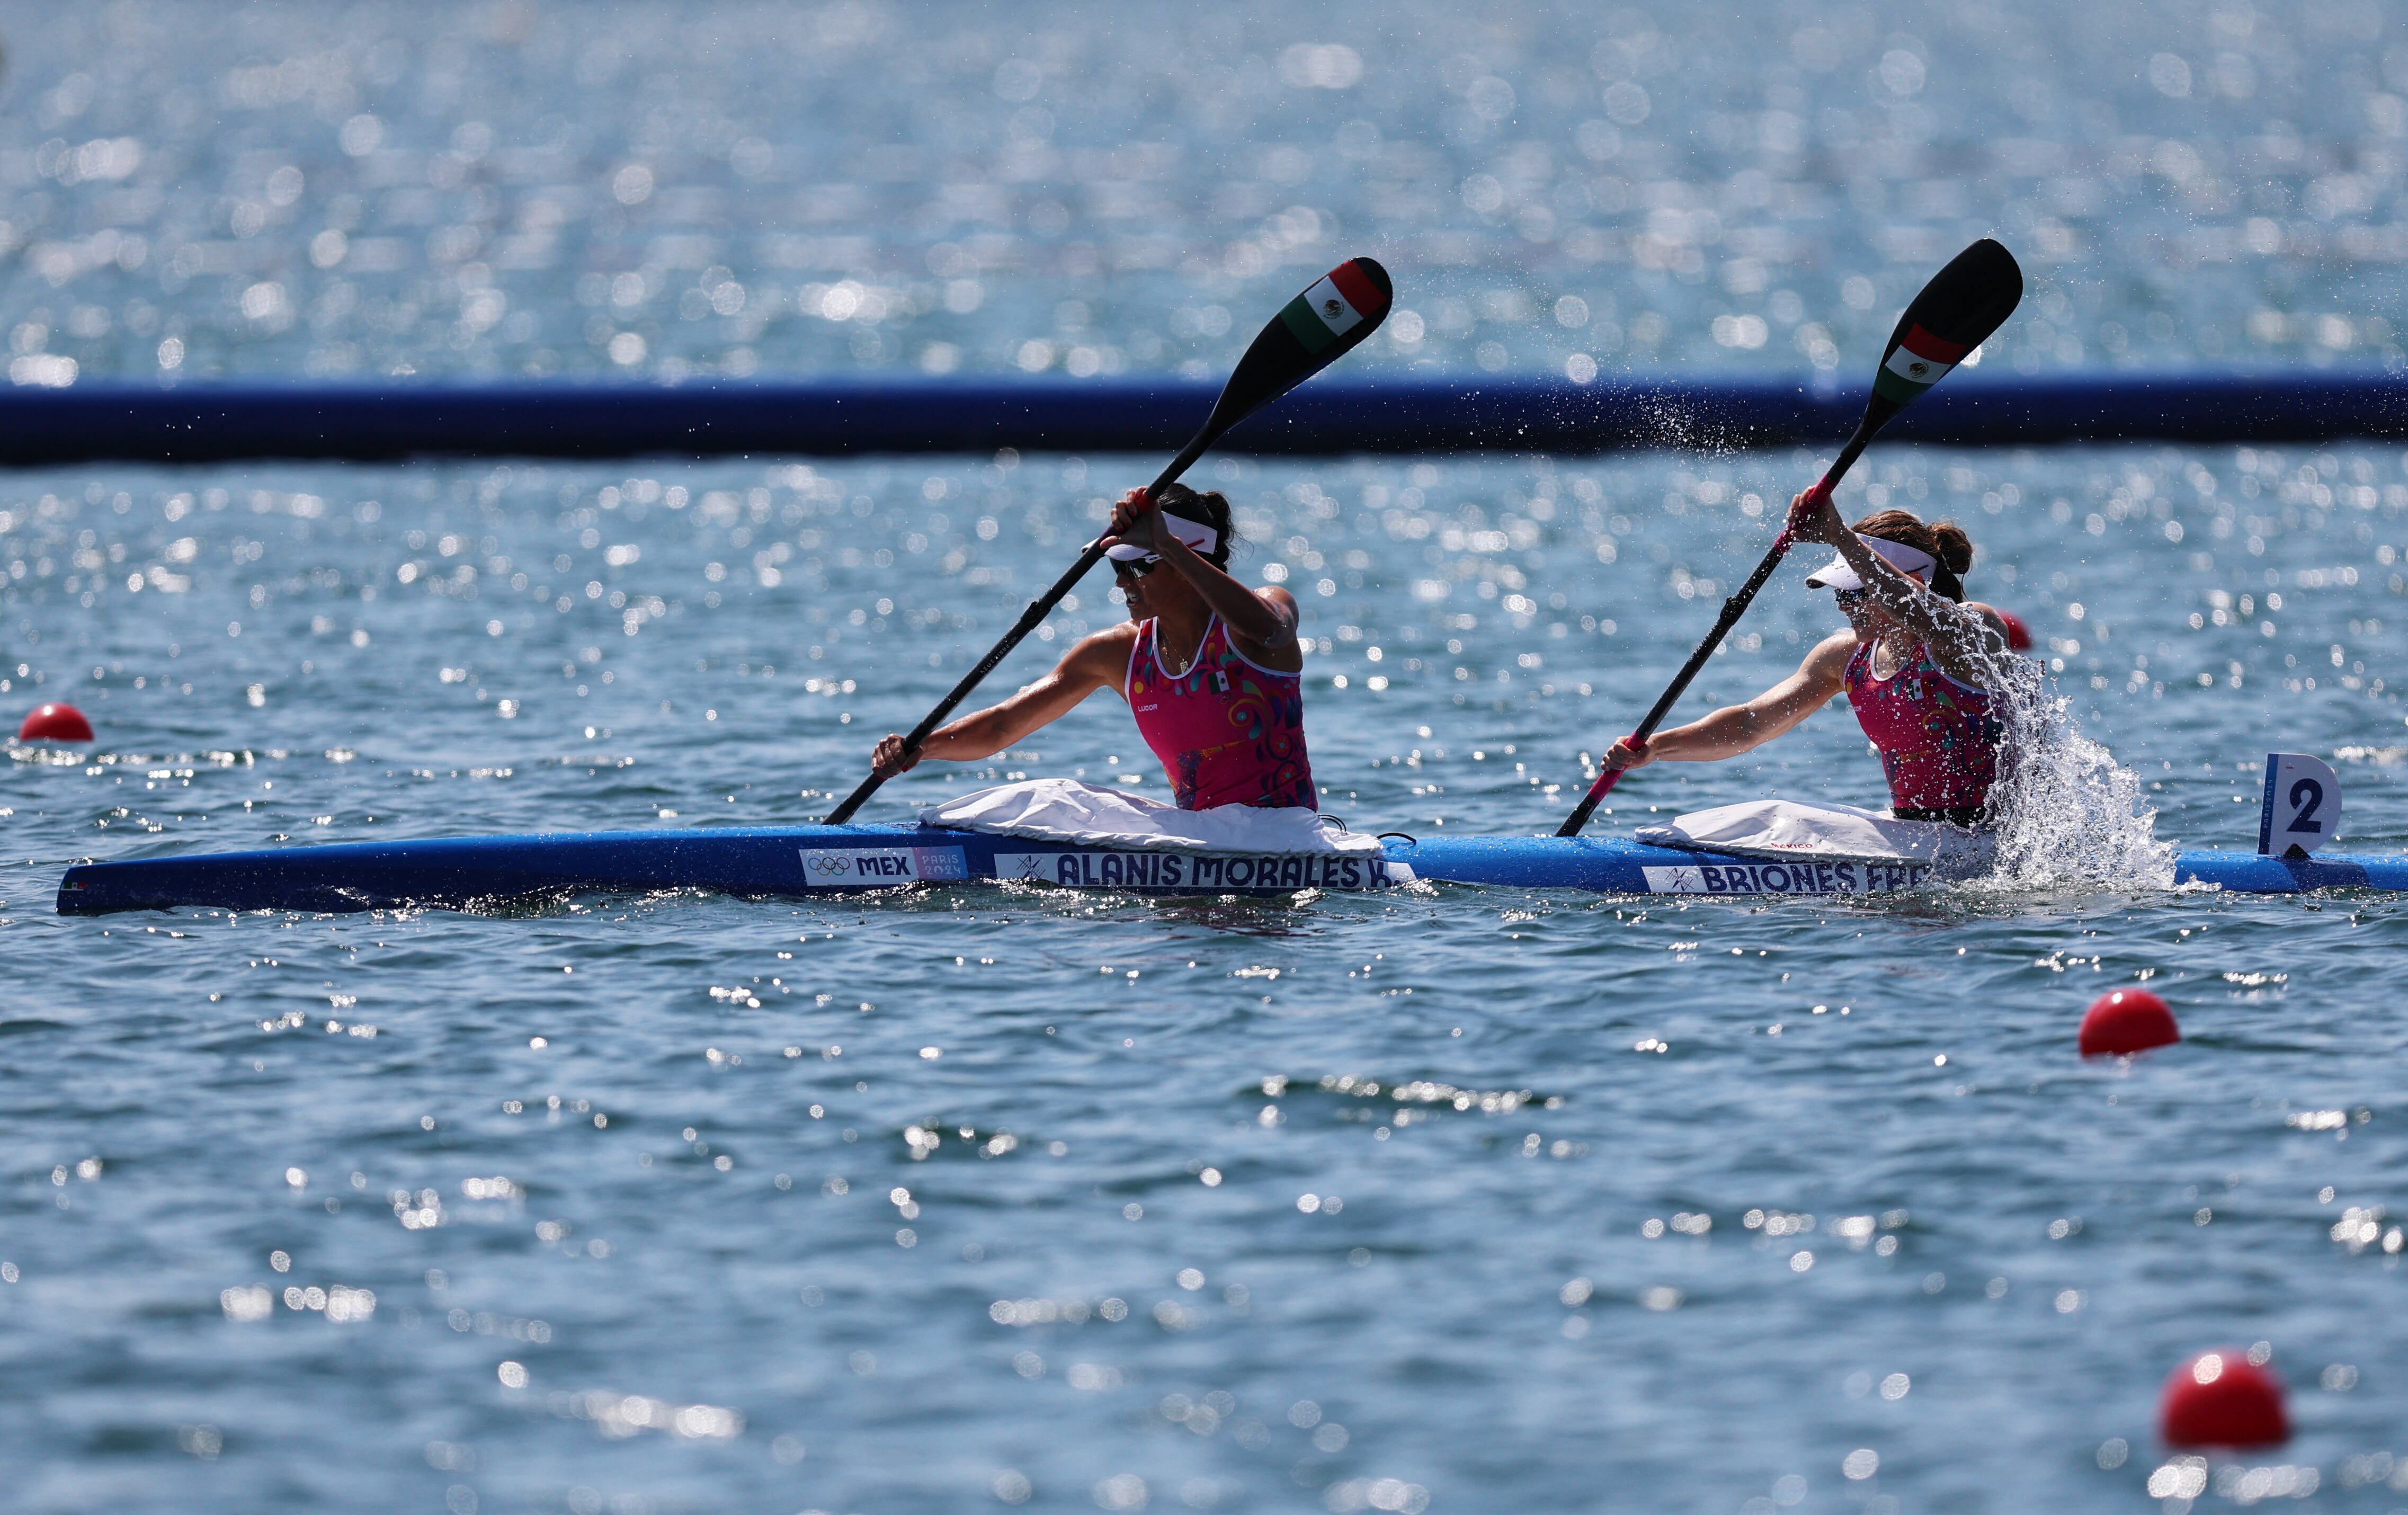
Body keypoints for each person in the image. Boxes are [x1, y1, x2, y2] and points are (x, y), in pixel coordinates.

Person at [869, 483, 1317, 810]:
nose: (1122, 581)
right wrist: (921, 747)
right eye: (1116, 568)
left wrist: (1166, 544)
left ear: (1185, 560)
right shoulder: (1117, 653)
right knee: (1050, 800)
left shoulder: (1264, 612)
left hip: (1285, 839)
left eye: (1136, 566)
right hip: (1202, 842)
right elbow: (1005, 725)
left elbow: (1270, 631)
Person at [1599, 491, 2015, 826]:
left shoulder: (1972, 633)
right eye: (1840, 593)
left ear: (1916, 581)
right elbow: (1751, 724)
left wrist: (1838, 534)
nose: (1843, 606)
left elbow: (1917, 610)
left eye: (1855, 592)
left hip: (1998, 837)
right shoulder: (1844, 659)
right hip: (1915, 832)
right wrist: (1654, 749)